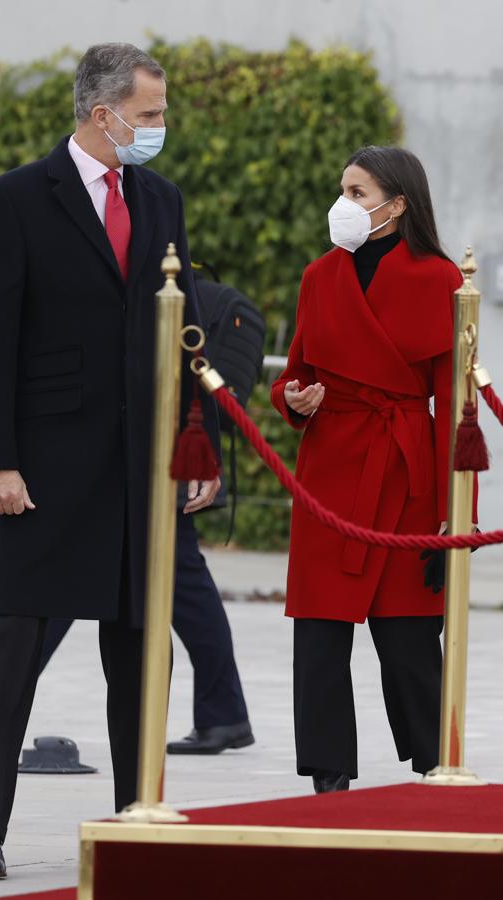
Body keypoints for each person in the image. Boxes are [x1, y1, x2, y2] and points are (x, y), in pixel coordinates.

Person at [0, 43, 221, 880]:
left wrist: (197, 442)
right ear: (101, 114)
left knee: (143, 652)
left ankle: (137, 816)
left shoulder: (162, 197)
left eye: (161, 113)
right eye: (148, 115)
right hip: (42, 470)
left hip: (141, 470)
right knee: (14, 652)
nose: (159, 128)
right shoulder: (15, 199)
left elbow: (184, 331)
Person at [271, 145, 478, 795]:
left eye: (357, 193)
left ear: (398, 204)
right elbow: (295, 377)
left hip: (405, 471)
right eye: (343, 191)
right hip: (329, 468)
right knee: (320, 632)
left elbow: (452, 400)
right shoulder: (318, 276)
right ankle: (328, 777)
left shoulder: (442, 278)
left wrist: (455, 503)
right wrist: (294, 402)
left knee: (411, 635)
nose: (345, 205)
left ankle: (430, 763)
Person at [0, 508, 254, 751]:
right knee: (166, 577)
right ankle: (224, 713)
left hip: (159, 454)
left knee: (179, 579)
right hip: (145, 453)